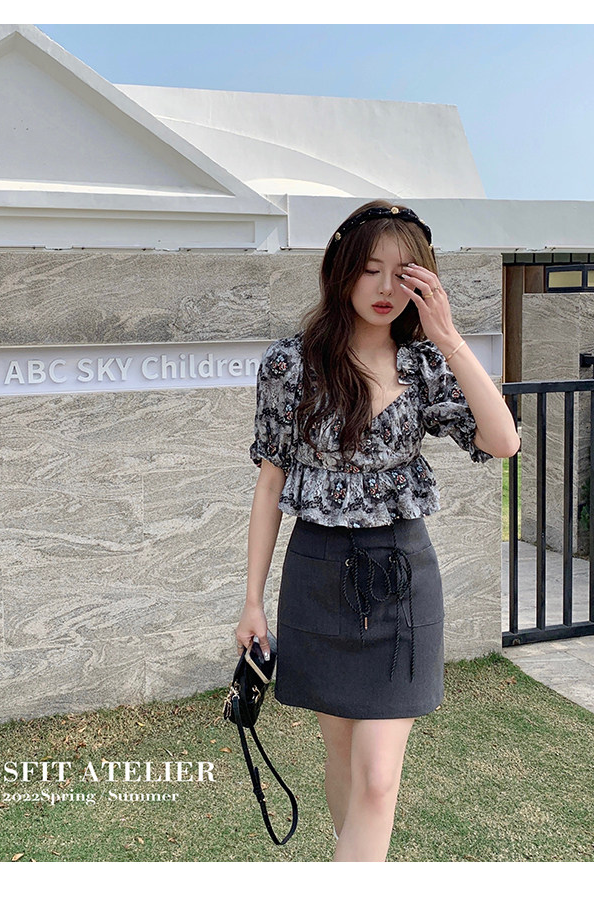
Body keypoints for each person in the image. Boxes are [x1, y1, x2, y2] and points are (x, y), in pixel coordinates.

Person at [234, 200, 521, 863]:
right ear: (341, 271)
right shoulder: (290, 364)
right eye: (370, 269)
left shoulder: (424, 365)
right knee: (341, 762)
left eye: (404, 272)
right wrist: (251, 602)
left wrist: (449, 338)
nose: (387, 287)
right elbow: (270, 486)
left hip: (401, 578)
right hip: (317, 576)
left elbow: (503, 440)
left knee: (378, 778)